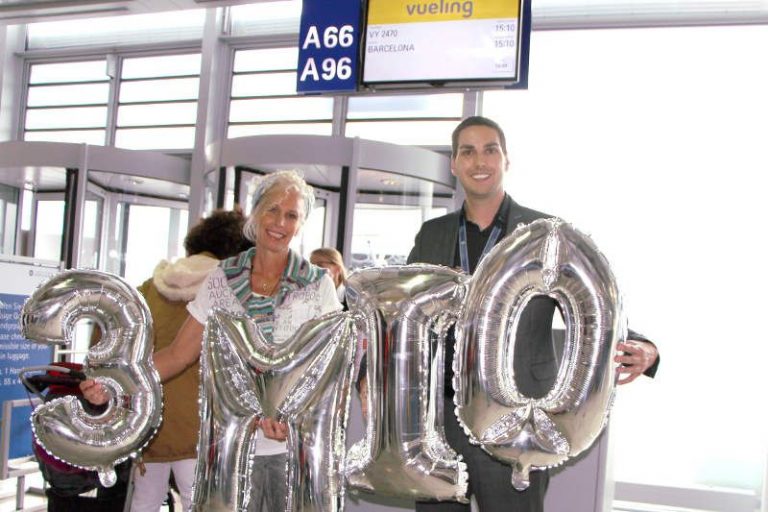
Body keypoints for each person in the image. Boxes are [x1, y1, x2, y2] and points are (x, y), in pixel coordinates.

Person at [407, 116, 659, 512]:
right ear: (453, 165)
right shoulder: (432, 235)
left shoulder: (544, 233)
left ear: (507, 160)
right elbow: (408, 311)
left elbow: (589, 301)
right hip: (441, 420)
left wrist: (643, 345)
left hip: (518, 418)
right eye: (467, 151)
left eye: (491, 149)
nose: (480, 160)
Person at [82, 170, 342, 512]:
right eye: (272, 209)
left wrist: (291, 412)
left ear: (300, 224)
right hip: (230, 450)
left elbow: (329, 366)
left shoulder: (317, 286)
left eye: (291, 215)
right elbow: (177, 354)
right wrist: (115, 382)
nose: (280, 222)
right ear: (255, 213)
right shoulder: (223, 279)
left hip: (295, 448)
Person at [128, 208, 251, 512]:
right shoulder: (230, 291)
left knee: (144, 502)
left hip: (149, 422)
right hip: (204, 426)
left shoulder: (148, 288)